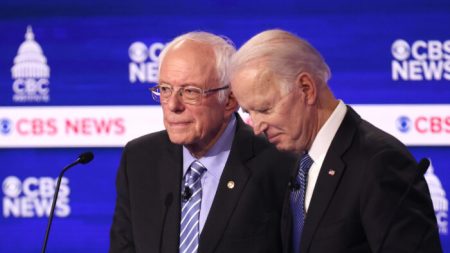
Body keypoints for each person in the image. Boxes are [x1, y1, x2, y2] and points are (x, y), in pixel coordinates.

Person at [230, 29, 442, 253]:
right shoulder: (295, 162)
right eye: (249, 112)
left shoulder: (379, 162)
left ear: (306, 88)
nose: (257, 127)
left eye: (265, 109)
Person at [109, 31, 296, 253]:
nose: (172, 106)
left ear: (229, 100)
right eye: (165, 89)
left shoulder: (279, 163)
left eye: (190, 92)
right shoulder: (140, 158)